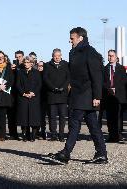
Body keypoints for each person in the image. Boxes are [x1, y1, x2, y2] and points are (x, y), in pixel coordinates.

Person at [49, 27, 107, 164]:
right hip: (78, 94)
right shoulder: (73, 52)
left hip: (86, 94)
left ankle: (66, 153)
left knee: (74, 123)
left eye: (72, 38)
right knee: (93, 126)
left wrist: (97, 96)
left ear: (81, 38)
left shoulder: (90, 53)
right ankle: (102, 154)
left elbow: (97, 76)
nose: (70, 41)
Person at [44, 48, 70, 142]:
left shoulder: (66, 64)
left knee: (63, 116)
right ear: (52, 56)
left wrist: (63, 87)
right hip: (52, 94)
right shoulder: (47, 65)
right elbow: (45, 78)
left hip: (63, 94)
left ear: (61, 56)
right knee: (52, 116)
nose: (57, 58)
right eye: (55, 56)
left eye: (59, 56)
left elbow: (68, 77)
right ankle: (53, 134)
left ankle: (61, 134)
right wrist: (53, 88)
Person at [16, 56, 42, 142]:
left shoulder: (36, 72)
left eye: (28, 62)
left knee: (34, 117)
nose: (26, 64)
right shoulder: (20, 72)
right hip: (23, 97)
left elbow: (39, 84)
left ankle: (33, 136)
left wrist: (33, 93)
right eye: (25, 62)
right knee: (24, 117)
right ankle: (25, 135)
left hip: (34, 97)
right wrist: (23, 93)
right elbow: (18, 84)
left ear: (32, 63)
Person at [103, 49, 127, 142]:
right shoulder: (105, 69)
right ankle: (111, 135)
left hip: (118, 96)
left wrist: (115, 88)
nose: (110, 57)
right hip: (108, 96)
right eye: (109, 55)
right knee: (109, 117)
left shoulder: (121, 69)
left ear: (116, 57)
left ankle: (118, 135)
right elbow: (103, 82)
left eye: (112, 55)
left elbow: (124, 81)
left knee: (118, 116)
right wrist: (108, 88)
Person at [37, 61, 48, 140]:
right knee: (37, 117)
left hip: (45, 98)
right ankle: (37, 132)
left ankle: (43, 131)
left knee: (43, 117)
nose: (40, 67)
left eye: (41, 65)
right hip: (37, 98)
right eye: (38, 65)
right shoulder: (35, 74)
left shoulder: (46, 75)